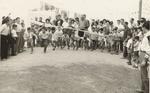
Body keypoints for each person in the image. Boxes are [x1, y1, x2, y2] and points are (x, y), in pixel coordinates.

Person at [137, 21, 150, 93]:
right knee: (142, 74)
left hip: (145, 55)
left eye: (142, 27)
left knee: (145, 75)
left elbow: (149, 49)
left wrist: (145, 59)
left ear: (145, 27)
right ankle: (143, 89)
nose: (142, 28)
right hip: (142, 54)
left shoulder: (148, 35)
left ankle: (146, 91)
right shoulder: (146, 35)